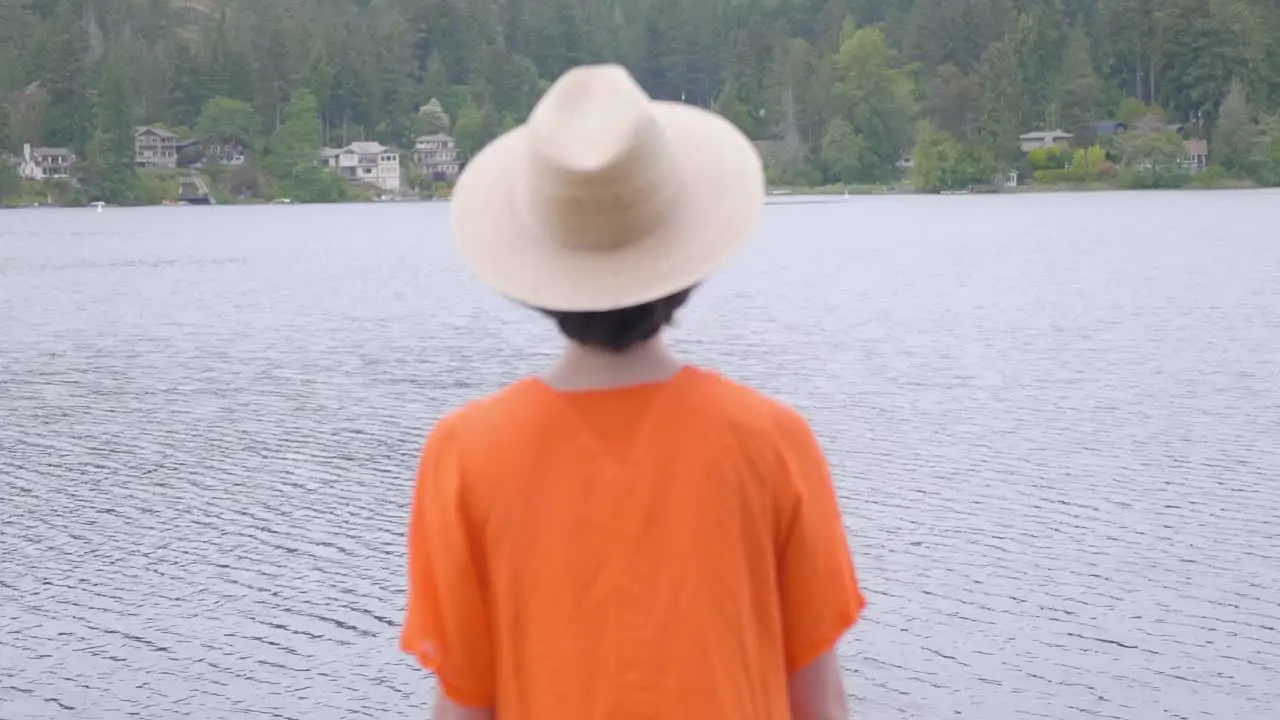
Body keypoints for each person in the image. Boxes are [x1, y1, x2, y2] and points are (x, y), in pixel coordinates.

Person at [401, 64, 865, 720]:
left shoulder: (466, 454)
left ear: (539, 270)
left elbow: (465, 705)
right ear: (685, 265)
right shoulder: (771, 441)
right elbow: (817, 701)